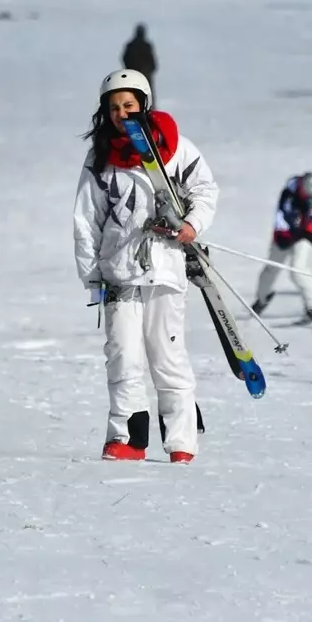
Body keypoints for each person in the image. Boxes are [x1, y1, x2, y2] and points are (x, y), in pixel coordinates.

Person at [72, 69, 218, 464]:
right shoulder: (100, 159)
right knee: (123, 356)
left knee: (167, 357)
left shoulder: (176, 147)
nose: (122, 113)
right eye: (114, 107)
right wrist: (92, 275)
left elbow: (205, 189)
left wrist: (192, 225)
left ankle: (182, 440)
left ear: (143, 104)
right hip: (119, 273)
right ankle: (128, 438)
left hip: (166, 271)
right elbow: (87, 220)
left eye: (129, 105)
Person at [250, 172, 312, 324]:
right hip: (283, 237)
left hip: (305, 236)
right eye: (311, 199)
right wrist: (304, 234)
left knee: (298, 269)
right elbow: (284, 223)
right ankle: (262, 298)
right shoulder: (288, 199)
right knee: (270, 270)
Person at [121, 24, 157, 106]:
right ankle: (149, 108)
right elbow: (152, 60)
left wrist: (129, 69)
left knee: (133, 92)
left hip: (134, 73)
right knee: (147, 92)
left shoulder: (131, 45)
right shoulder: (146, 45)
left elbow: (125, 58)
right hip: (144, 73)